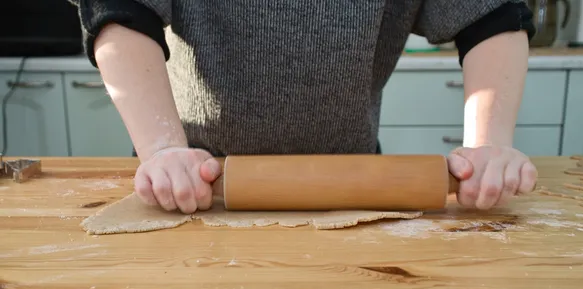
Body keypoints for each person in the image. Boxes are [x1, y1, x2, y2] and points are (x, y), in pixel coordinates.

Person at [68, 0, 538, 214]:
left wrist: (489, 145)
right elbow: (120, 11)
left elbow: (489, 16)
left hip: (354, 187)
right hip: (190, 185)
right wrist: (162, 149)